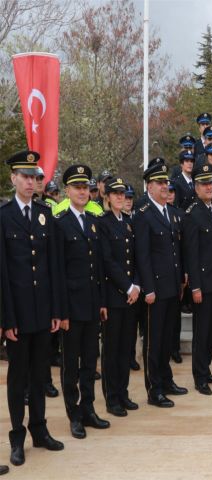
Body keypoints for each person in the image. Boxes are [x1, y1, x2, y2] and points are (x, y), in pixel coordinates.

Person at [0, 150, 65, 467]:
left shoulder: (44, 214)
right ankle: (17, 436)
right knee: (18, 378)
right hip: (18, 315)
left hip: (43, 313)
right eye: (24, 176)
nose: (30, 181)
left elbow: (52, 266)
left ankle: (40, 430)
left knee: (40, 375)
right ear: (13, 178)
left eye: (34, 177)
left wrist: (56, 309)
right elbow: (2, 272)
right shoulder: (3, 215)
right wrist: (6, 318)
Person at [54, 164, 110, 439]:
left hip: (90, 304)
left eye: (86, 187)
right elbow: (58, 272)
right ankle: (73, 414)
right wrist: (61, 311)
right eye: (77, 187)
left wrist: (100, 302)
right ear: (67, 191)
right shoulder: (60, 223)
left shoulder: (92, 221)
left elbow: (96, 267)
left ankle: (88, 409)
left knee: (90, 361)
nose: (82, 192)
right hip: (71, 308)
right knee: (71, 365)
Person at [134, 159, 188, 408]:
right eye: (159, 182)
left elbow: (175, 252)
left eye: (166, 181)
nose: (165, 186)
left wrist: (181, 280)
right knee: (154, 342)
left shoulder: (170, 212)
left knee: (167, 339)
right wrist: (149, 288)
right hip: (155, 289)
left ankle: (166, 380)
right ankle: (153, 389)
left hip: (172, 287)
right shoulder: (144, 214)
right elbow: (142, 256)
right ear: (149, 186)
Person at [98, 177, 140, 416]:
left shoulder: (128, 222)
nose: (120, 197)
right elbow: (108, 262)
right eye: (115, 194)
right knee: (112, 350)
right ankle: (111, 398)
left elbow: (133, 258)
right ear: (107, 197)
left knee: (126, 349)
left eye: (123, 193)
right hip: (115, 296)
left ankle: (123, 393)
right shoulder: (103, 223)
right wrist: (128, 287)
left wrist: (136, 285)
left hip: (130, 297)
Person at [183, 164, 212, 395]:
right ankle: (199, 377)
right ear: (196, 187)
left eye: (211, 183)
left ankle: (206, 369)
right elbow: (192, 254)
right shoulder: (192, 214)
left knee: (211, 331)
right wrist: (195, 287)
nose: (209, 187)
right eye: (204, 184)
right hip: (203, 283)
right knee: (201, 332)